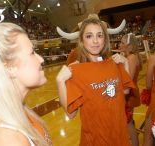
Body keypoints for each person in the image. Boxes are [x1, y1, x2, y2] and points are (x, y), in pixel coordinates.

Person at [56, 17, 135, 146]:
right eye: (89, 36)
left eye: (100, 35)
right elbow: (70, 114)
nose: (95, 41)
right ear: (82, 40)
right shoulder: (76, 70)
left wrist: (125, 64)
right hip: (95, 140)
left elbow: (125, 91)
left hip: (119, 136)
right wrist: (60, 82)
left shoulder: (113, 63)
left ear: (105, 39)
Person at [0, 22, 52, 146]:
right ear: (10, 68)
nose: (41, 59)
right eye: (32, 52)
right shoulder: (9, 140)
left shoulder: (20, 111)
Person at [118, 33, 142, 146]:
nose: (120, 45)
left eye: (122, 43)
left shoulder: (131, 58)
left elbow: (129, 79)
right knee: (128, 121)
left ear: (129, 45)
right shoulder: (130, 57)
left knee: (128, 122)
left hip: (129, 93)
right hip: (129, 92)